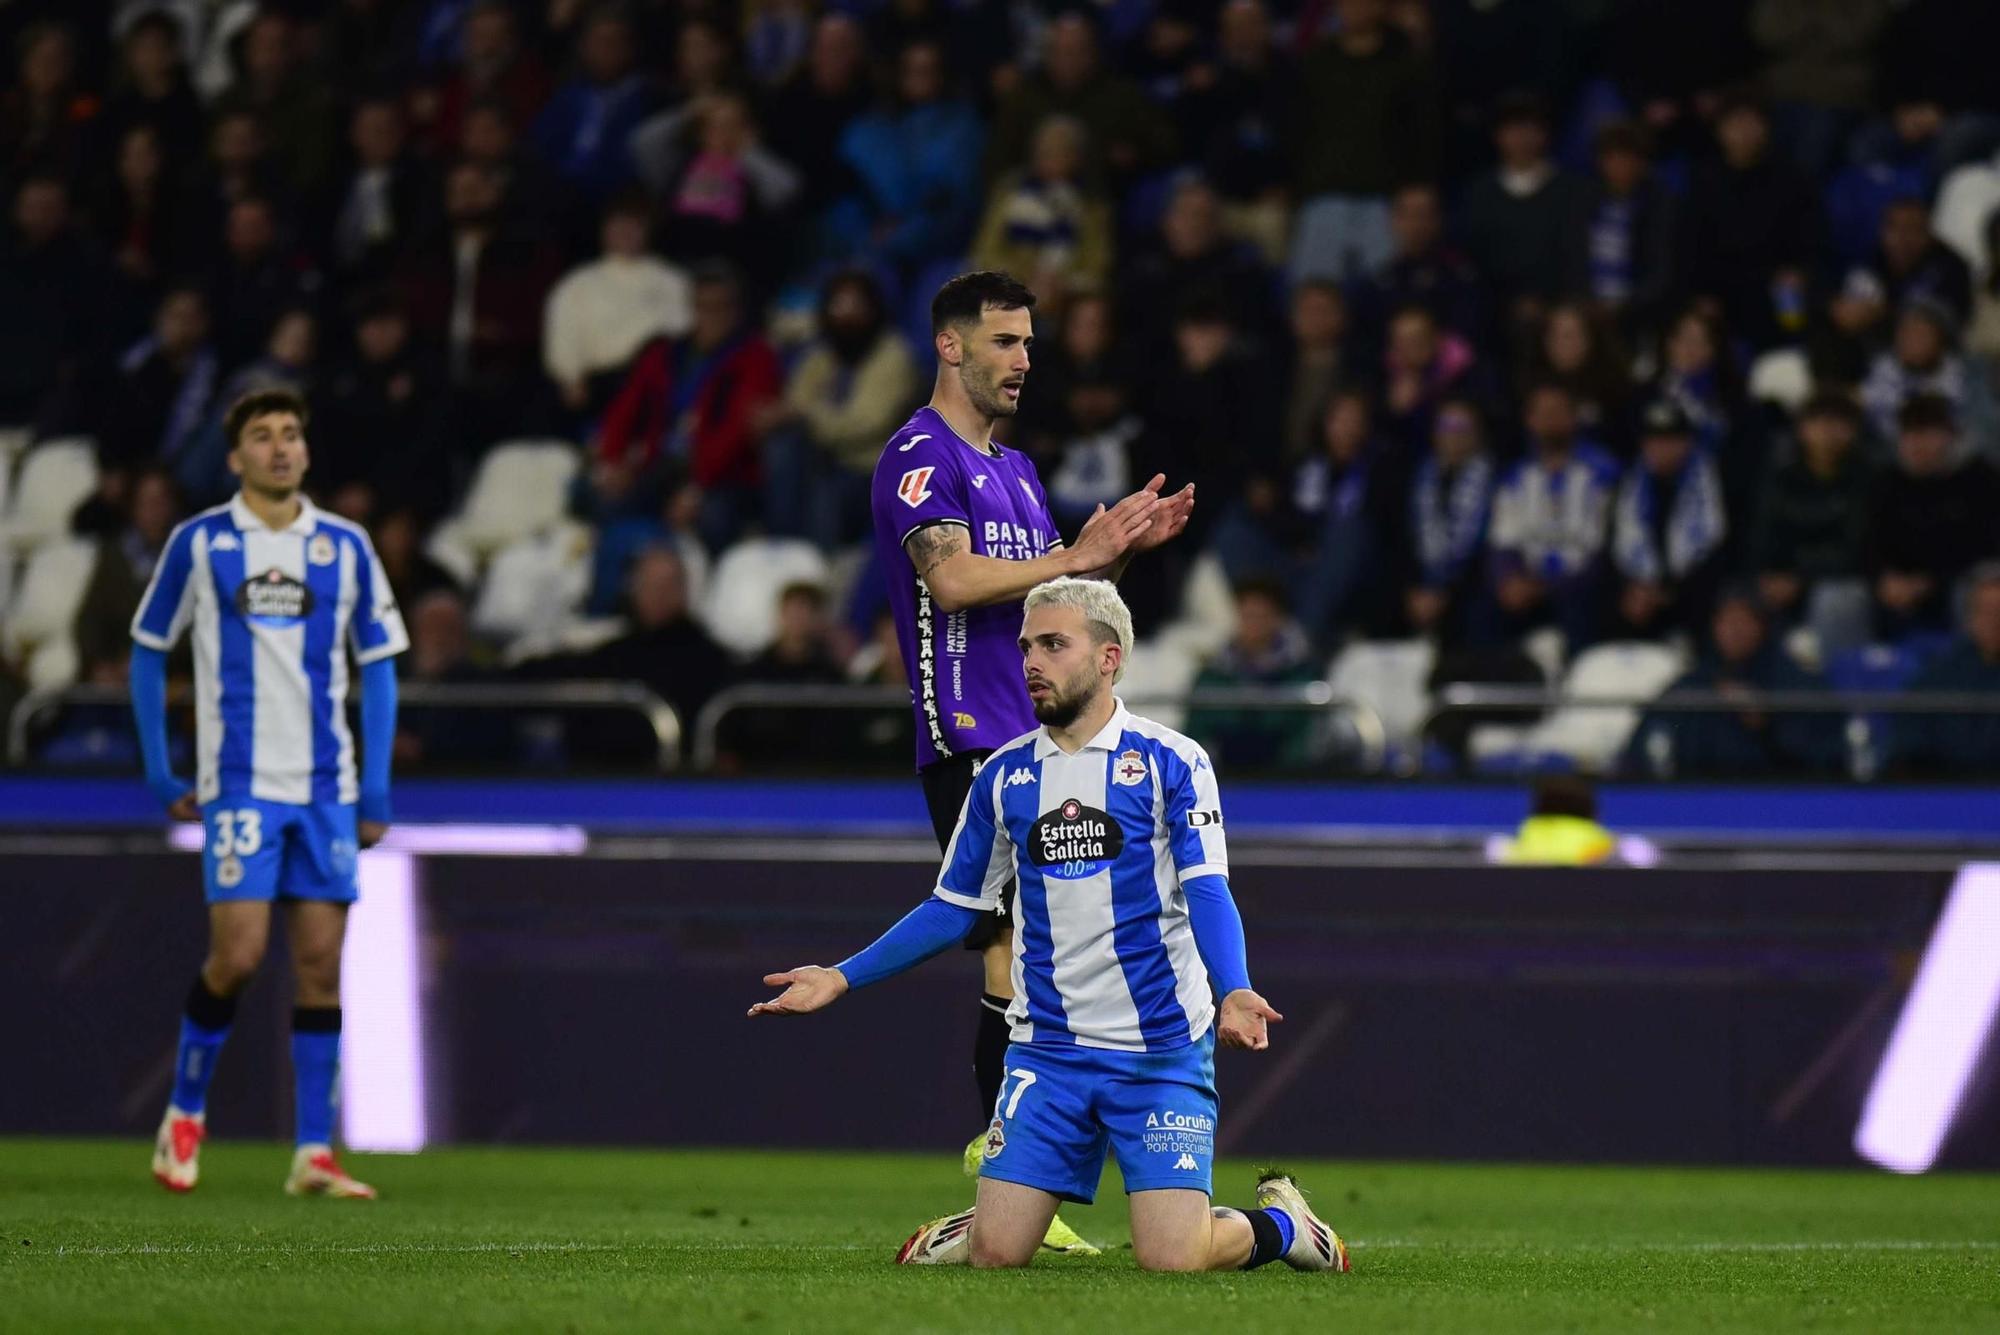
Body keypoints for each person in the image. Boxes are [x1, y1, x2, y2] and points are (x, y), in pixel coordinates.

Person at [748, 577, 1349, 1276]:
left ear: (1108, 658)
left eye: (1054, 644)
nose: (1031, 660)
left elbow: (1207, 887)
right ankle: (990, 1218)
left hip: (1157, 1052)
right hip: (1048, 1052)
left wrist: (1235, 987)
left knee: (1174, 1257)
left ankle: (1285, 1224)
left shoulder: (1172, 761)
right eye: (1027, 645)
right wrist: (842, 975)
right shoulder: (1002, 776)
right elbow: (954, 905)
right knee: (998, 1254)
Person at [869, 270, 1195, 1256]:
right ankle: (1000, 1168)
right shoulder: (918, 458)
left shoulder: (1013, 471)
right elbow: (958, 577)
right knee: (1016, 954)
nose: (1022, 361)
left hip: (1037, 742)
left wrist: (1112, 555)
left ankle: (1012, 1178)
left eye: (1027, 344)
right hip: (967, 733)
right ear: (950, 346)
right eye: (1004, 342)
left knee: (1036, 960)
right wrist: (1075, 555)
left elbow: (1051, 605)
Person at [130, 388, 406, 1199]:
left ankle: (313, 1155)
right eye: (262, 436)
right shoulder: (202, 542)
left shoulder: (347, 546)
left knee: (321, 965)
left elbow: (380, 663)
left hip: (326, 787)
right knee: (240, 955)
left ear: (307, 452)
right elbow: (149, 649)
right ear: (234, 457)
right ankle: (184, 1112)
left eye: (292, 433)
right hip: (241, 784)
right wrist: (159, 768)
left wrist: (376, 785)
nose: (281, 447)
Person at [1608, 400, 1729, 641]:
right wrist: (1634, 588)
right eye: (1654, 440)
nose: (1662, 448)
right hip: (1641, 593)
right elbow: (1615, 546)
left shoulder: (1713, 483)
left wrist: (1669, 593)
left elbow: (1718, 548)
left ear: (1687, 443)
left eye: (1671, 440)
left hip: (1692, 593)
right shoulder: (1629, 485)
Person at [1892, 563, 2000, 777]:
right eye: (1986, 612)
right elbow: (1907, 745)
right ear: (1970, 618)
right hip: (1945, 792)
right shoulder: (1939, 676)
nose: (1995, 622)